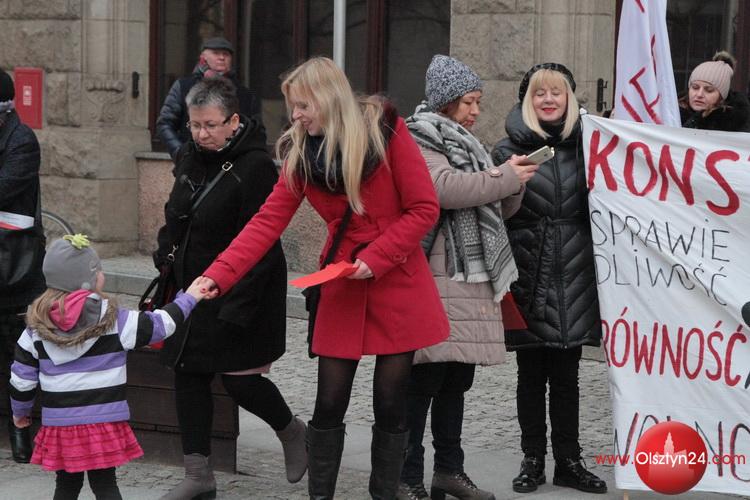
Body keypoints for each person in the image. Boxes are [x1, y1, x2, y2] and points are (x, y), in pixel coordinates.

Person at [197, 56, 450, 499]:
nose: (295, 115)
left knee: (391, 402)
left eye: (303, 105)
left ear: (329, 100)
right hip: (342, 279)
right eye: (292, 107)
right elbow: (265, 224)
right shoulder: (300, 154)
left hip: (396, 277)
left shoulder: (386, 132)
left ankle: (384, 494)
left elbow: (424, 208)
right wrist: (217, 275)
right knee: (329, 401)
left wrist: (378, 257)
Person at [155, 77, 305, 500]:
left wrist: (237, 305)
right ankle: (198, 474)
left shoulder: (256, 167)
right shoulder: (190, 155)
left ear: (233, 121)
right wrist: (165, 257)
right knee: (188, 374)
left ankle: (292, 432)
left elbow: (262, 240)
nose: (201, 134)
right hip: (192, 288)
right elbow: (176, 214)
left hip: (242, 289)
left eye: (210, 125)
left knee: (241, 381)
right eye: (194, 125)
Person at [398, 55, 537, 500]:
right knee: (423, 381)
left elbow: (494, 207)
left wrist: (514, 182)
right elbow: (444, 190)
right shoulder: (419, 136)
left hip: (467, 277)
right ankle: (406, 477)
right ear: (446, 100)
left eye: (478, 102)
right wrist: (502, 176)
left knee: (456, 381)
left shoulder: (469, 143)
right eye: (469, 102)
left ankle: (449, 471)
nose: (476, 111)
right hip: (435, 274)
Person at [9, 235, 207, 499]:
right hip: (103, 423)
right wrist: (189, 297)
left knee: (66, 486)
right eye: (97, 270)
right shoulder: (116, 321)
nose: (101, 274)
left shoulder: (35, 329)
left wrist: (20, 412)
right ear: (87, 281)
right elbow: (161, 324)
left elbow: (22, 379)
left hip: (61, 425)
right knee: (105, 485)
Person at [491, 63, 607, 495]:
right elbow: (494, 210)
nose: (548, 99)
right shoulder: (507, 149)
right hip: (528, 271)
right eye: (539, 93)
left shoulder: (592, 147)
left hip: (576, 272)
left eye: (557, 92)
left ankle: (570, 462)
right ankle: (533, 459)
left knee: (567, 376)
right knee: (530, 374)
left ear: (570, 98)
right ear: (528, 100)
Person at [0, 67, 45, 464]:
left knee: (18, 351)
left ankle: (21, 426)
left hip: (12, 261)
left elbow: (5, 189)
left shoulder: (22, 140)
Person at [156, 37, 261, 161]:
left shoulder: (245, 93)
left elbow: (256, 131)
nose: (221, 57)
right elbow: (165, 123)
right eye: (216, 53)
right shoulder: (183, 86)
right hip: (192, 161)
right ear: (203, 57)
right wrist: (180, 153)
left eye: (226, 54)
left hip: (233, 164)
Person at [679, 51, 750, 132]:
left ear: (722, 97)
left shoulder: (735, 126)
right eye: (695, 87)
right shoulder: (672, 114)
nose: (699, 94)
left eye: (709, 90)